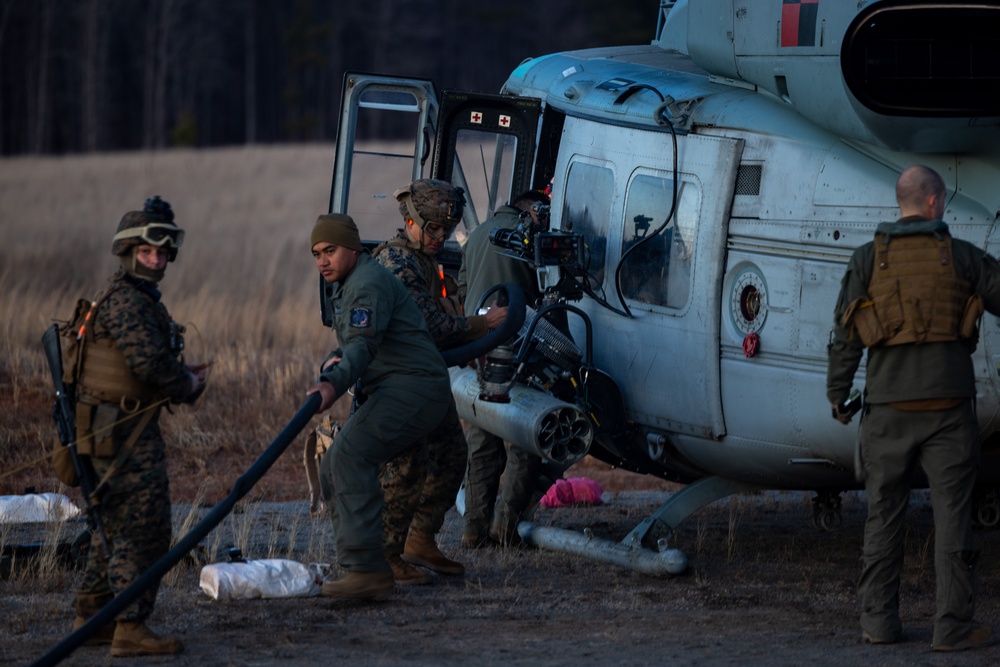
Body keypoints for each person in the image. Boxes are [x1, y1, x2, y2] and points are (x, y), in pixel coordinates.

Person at [827, 165, 1000, 651]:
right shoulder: (962, 257)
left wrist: (838, 395)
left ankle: (879, 624)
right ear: (933, 203)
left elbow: (844, 337)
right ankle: (953, 628)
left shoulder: (866, 260)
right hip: (948, 412)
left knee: (883, 517)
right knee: (953, 519)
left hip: (886, 413)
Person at [71, 197, 207, 657]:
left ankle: (92, 618)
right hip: (122, 433)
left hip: (115, 427)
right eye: (148, 252)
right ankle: (129, 627)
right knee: (144, 528)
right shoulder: (129, 302)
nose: (157, 260)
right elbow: (149, 362)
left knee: (113, 525)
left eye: (164, 252)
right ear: (129, 252)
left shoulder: (129, 297)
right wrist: (186, 381)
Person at [306, 213, 455, 600]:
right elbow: (357, 341)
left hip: (413, 389)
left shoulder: (367, 285)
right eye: (317, 253)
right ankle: (363, 565)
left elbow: (362, 347)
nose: (322, 260)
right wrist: (332, 362)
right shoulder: (353, 283)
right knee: (333, 466)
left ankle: (369, 570)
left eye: (330, 250)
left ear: (353, 248)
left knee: (347, 459)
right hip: (402, 386)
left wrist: (331, 386)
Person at [371, 178, 507, 584]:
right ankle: (385, 556)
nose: (439, 237)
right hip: (398, 384)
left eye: (445, 231)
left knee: (451, 457)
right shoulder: (397, 263)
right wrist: (481, 325)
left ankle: (420, 541)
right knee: (405, 471)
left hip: (425, 380)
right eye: (432, 229)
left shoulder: (425, 262)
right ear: (411, 222)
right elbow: (429, 326)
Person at [457, 189, 551, 548]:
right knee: (524, 441)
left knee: (482, 439)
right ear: (529, 208)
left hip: (481, 349)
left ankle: (473, 529)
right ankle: (506, 527)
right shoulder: (529, 236)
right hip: (522, 348)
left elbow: (465, 289)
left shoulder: (479, 233)